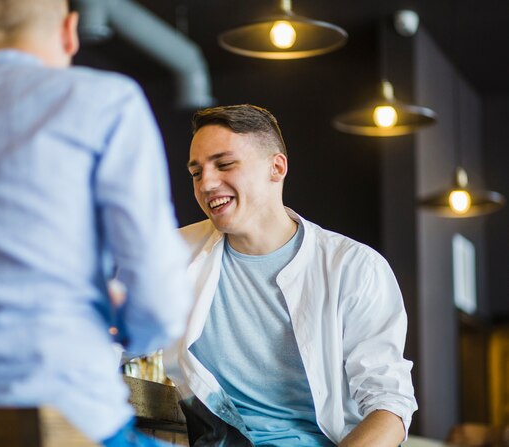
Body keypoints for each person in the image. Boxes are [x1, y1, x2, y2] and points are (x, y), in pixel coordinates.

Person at [0, 0, 193, 445]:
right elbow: (160, 304)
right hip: (65, 413)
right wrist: (117, 316)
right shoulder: (108, 101)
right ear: (70, 32)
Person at [163, 104, 417, 446]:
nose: (206, 183)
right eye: (196, 172)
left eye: (224, 164)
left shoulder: (354, 267)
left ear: (276, 167)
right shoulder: (173, 254)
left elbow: (389, 406)